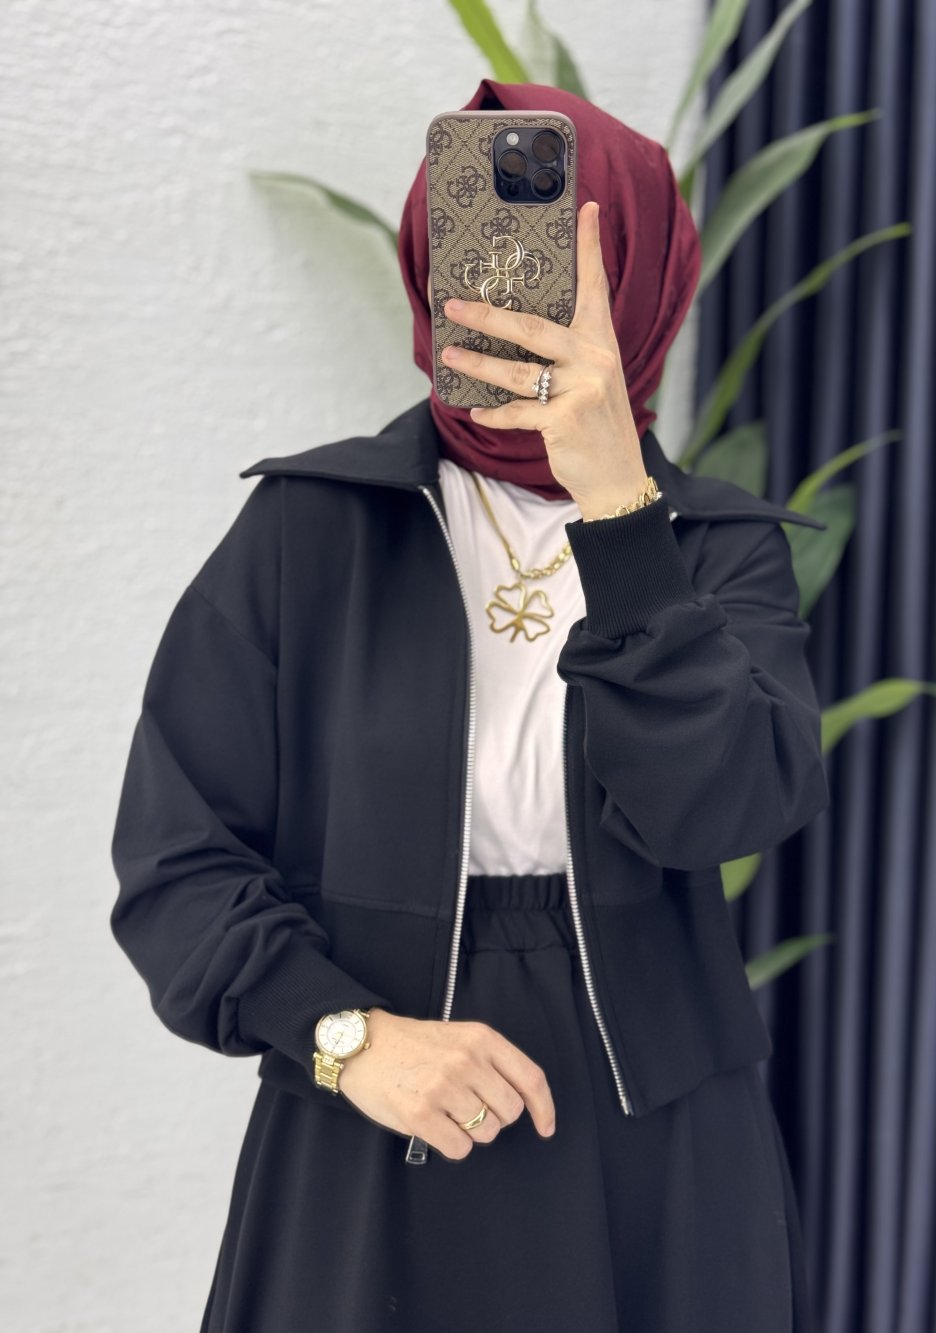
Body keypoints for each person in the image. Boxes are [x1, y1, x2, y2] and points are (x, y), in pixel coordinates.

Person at [109, 78, 830, 1333]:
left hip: (656, 1143)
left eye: (562, 259)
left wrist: (620, 514)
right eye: (472, 240)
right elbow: (177, 861)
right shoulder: (310, 528)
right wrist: (344, 1036)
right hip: (368, 1119)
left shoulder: (713, 545)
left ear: (642, 282)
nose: (507, 289)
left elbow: (726, 810)